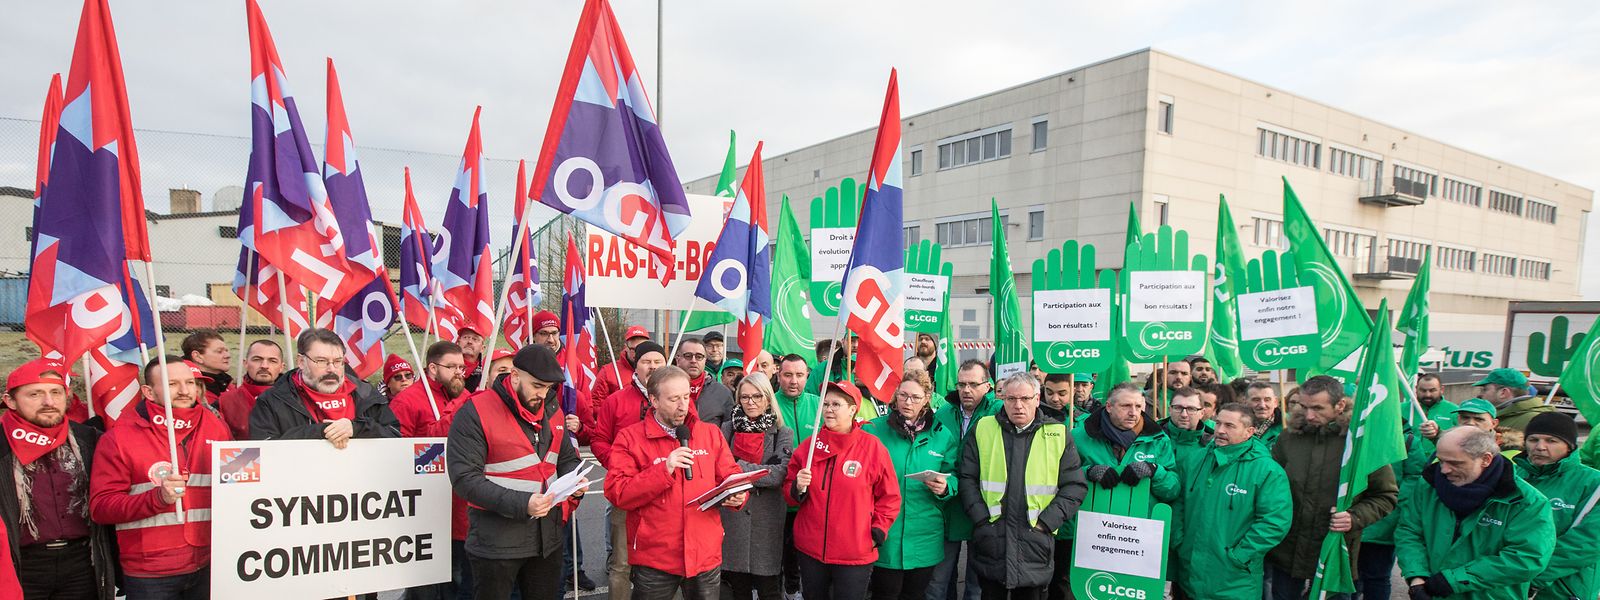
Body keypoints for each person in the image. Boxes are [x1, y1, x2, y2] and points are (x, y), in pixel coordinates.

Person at [446, 344, 587, 600]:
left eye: (549, 387)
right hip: (496, 543)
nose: (542, 394)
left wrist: (574, 481)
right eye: (537, 386)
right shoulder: (475, 411)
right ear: (514, 376)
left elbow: (566, 457)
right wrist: (524, 504)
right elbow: (464, 479)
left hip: (548, 540)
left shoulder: (552, 409)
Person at [91, 356, 233, 599]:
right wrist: (156, 498)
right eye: (172, 384)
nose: (184, 390)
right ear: (148, 392)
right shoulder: (119, 438)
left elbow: (236, 485)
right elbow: (101, 508)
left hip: (210, 562)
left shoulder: (216, 425)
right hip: (151, 572)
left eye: (190, 382)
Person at [604, 365, 747, 599]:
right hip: (656, 558)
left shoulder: (709, 433)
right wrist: (664, 470)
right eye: (673, 399)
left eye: (686, 396)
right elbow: (617, 492)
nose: (683, 406)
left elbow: (730, 474)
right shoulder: (630, 438)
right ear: (654, 400)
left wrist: (738, 495)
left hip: (704, 554)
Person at [1266, 376, 1397, 600]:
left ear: (1340, 405)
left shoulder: (1360, 442)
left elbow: (1386, 495)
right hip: (1288, 549)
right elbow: (1270, 486)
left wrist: (1355, 517)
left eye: (1318, 408)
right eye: (1304, 407)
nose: (1309, 415)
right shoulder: (1288, 437)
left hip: (1335, 550)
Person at [957, 372, 1085, 600]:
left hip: (1035, 542)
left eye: (1025, 398)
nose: (1018, 405)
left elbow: (1074, 486)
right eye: (1011, 399)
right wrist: (981, 519)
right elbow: (967, 477)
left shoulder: (1057, 433)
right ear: (1003, 399)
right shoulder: (983, 428)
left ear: (1037, 399)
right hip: (992, 539)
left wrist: (1046, 523)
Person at [1, 358, 116, 599]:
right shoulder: (2, 444)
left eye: (56, 392)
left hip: (82, 563)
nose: (49, 402)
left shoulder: (90, 440)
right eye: (35, 394)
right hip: (20, 564)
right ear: (10, 401)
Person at [1394, 426, 1554, 600]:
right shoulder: (1427, 485)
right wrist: (1417, 576)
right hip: (1431, 592)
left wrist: (1454, 580)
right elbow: (1409, 531)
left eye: (1455, 463)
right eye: (1441, 461)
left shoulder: (1526, 501)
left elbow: (1527, 558)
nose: (1444, 470)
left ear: (1485, 459)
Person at [783, 381, 901, 600]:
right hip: (811, 549)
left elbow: (890, 497)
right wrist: (797, 487)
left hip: (854, 551)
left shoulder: (872, 448)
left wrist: (877, 531)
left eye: (836, 404)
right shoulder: (810, 446)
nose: (828, 409)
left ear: (852, 409)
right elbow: (789, 493)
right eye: (825, 404)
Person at [1065, 382, 1177, 600]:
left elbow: (1173, 489)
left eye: (1139, 406)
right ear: (1109, 406)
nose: (1133, 412)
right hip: (1094, 536)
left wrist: (1155, 471)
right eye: (1126, 406)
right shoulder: (1079, 436)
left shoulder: (1158, 439)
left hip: (1137, 539)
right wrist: (1088, 472)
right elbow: (1062, 478)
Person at [1172, 402, 1290, 600]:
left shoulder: (1267, 471)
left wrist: (1241, 555)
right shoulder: (1195, 459)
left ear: (1249, 432)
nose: (1220, 430)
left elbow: (1275, 522)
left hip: (1234, 581)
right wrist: (1179, 540)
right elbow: (1178, 502)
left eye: (1229, 426)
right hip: (1190, 574)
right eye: (1218, 423)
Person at [864, 370, 958, 600]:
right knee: (884, 594)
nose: (908, 402)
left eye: (915, 397)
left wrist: (946, 486)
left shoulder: (942, 435)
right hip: (886, 531)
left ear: (927, 398)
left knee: (915, 595)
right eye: (903, 395)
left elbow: (954, 474)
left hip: (925, 533)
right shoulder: (873, 430)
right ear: (895, 395)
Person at [592, 340, 669, 600]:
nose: (652, 366)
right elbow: (599, 440)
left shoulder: (678, 401)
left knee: (665, 563)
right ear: (636, 366)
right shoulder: (615, 401)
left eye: (658, 361)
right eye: (647, 361)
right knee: (621, 564)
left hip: (665, 492)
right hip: (626, 492)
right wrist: (617, 464)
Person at [248, 328, 400, 444]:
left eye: (338, 361)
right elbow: (265, 449)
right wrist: (321, 432)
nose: (331, 369)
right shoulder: (272, 400)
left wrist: (357, 428)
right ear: (301, 362)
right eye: (321, 361)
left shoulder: (365, 393)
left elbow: (394, 435)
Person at [929, 361, 1002, 600]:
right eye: (961, 384)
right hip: (947, 504)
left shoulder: (998, 412)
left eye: (973, 384)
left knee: (976, 583)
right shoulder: (943, 412)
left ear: (988, 386)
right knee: (938, 581)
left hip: (983, 507)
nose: (966, 390)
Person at [719, 373, 794, 600]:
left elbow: (778, 475)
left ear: (768, 398)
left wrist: (737, 465)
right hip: (734, 519)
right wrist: (760, 470)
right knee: (738, 588)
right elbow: (720, 469)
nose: (750, 402)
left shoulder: (783, 433)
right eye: (745, 397)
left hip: (766, 520)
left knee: (768, 589)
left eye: (757, 396)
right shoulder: (727, 429)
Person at [1512, 412, 1600, 599]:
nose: (1540, 447)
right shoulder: (1512, 476)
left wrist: (1531, 577)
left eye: (1551, 441)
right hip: (1508, 584)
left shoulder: (1594, 484)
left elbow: (1587, 544)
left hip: (1562, 589)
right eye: (1533, 440)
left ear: (1569, 446)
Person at [772, 354, 820, 598]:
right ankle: (772, 590)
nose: (793, 381)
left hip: (812, 494)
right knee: (777, 548)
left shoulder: (819, 405)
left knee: (803, 551)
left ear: (807, 376)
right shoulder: (769, 404)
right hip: (778, 492)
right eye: (788, 375)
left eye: (799, 375)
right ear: (778, 375)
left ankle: (794, 590)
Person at [389, 342, 465, 438]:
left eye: (461, 367)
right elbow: (396, 443)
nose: (458, 372)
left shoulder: (465, 395)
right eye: (452, 367)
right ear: (433, 368)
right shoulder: (405, 401)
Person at [1472, 368, 1551, 453]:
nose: (1480, 395)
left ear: (1503, 392)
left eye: (1484, 389)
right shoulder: (1507, 414)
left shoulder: (1535, 419)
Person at [217, 340, 284, 439]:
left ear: (281, 367)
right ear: (246, 363)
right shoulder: (224, 402)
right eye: (257, 359)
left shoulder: (297, 401)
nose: (264, 366)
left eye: (272, 361)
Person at [676, 338, 736, 427]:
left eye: (699, 357)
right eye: (688, 356)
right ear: (678, 359)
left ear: (705, 360)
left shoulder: (722, 392)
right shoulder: (664, 388)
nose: (693, 360)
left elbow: (728, 429)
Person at [592, 325, 651, 406]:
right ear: (626, 347)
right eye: (633, 349)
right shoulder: (608, 372)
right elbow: (596, 405)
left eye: (642, 348)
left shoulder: (656, 370)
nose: (638, 352)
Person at [1158, 387, 1212, 469]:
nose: (1184, 414)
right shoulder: (1152, 437)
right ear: (1170, 410)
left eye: (1191, 409)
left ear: (1202, 413)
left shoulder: (1212, 444)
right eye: (1178, 408)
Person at [180, 331, 233, 404]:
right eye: (219, 351)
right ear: (197, 356)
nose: (227, 355)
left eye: (226, 351)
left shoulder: (226, 384)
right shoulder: (189, 392)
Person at [1245, 381, 1284, 448]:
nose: (1262, 405)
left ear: (1275, 402)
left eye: (1267, 400)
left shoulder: (1289, 425)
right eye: (1256, 400)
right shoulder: (1237, 425)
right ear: (1245, 402)